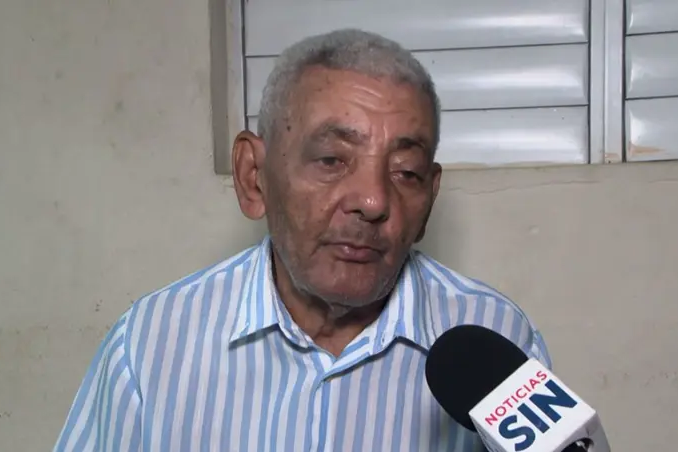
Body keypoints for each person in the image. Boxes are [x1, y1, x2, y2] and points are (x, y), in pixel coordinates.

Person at [53, 28, 551, 452]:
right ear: (254, 177)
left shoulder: (498, 339)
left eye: (406, 172)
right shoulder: (150, 345)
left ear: (430, 197)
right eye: (332, 160)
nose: (373, 201)